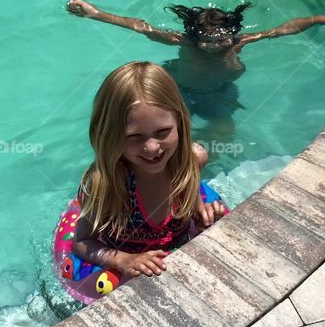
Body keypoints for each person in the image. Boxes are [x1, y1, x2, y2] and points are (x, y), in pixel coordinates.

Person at [66, 0, 325, 140]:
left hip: (219, 92)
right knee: (170, 135)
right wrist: (96, 14)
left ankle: (201, 173)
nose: (212, 46)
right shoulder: (182, 41)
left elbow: (287, 29)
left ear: (231, 35)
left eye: (220, 40)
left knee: (224, 133)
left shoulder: (239, 42)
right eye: (206, 41)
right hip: (178, 91)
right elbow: (139, 27)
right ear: (195, 36)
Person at [69, 61, 228, 279]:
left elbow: (192, 208)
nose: (152, 147)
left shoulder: (191, 162)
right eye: (134, 136)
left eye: (163, 131)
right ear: (109, 135)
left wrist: (201, 219)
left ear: (180, 122)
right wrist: (122, 259)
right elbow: (81, 242)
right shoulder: (104, 185)